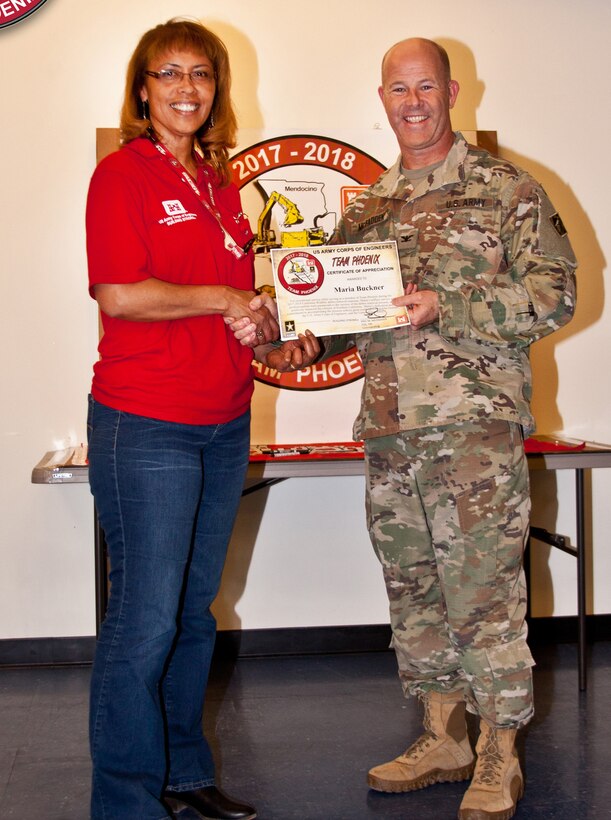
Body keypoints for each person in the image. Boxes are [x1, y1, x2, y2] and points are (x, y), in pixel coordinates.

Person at [234, 36, 576, 820]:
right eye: (397, 89)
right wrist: (302, 335)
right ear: (382, 98)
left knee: (485, 594)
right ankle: (441, 734)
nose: (411, 102)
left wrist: (447, 306)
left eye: (425, 87)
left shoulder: (505, 190)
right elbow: (341, 319)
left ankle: (498, 748)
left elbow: (555, 297)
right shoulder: (368, 206)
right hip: (389, 431)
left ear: (452, 93)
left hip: (472, 432)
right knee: (415, 591)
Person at [85, 18, 319, 820]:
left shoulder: (222, 187)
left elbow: (233, 312)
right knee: (143, 620)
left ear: (216, 89)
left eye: (201, 74)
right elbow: (121, 294)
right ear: (142, 89)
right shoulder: (122, 176)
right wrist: (225, 298)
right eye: (169, 73)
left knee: (190, 614)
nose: (187, 88)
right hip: (144, 423)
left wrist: (273, 333)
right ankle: (125, 803)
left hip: (222, 421)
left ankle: (183, 774)